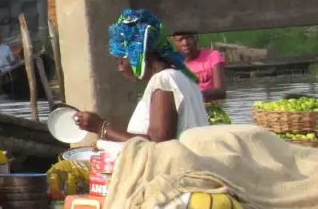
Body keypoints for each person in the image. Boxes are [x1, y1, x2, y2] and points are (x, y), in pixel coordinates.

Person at [72, 9, 209, 144]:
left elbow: (157, 145)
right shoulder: (183, 76)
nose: (120, 68)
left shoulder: (164, 81)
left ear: (137, 55)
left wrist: (101, 127)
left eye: (120, 60)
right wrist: (110, 143)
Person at [172, 31, 230, 124]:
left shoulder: (212, 56)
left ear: (196, 38)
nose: (185, 42)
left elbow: (221, 92)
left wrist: (190, 95)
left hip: (210, 111)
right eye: (180, 39)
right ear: (174, 42)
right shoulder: (172, 64)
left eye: (189, 37)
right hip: (185, 114)